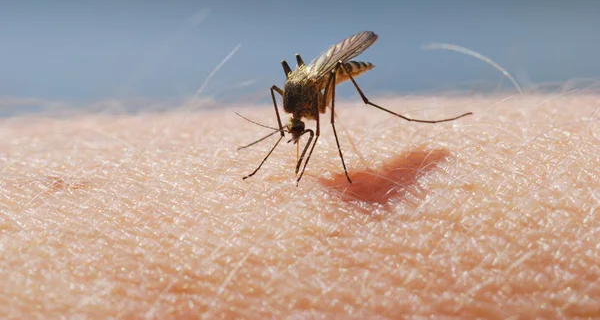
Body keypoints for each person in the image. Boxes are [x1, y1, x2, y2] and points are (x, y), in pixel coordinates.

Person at [2, 94, 597, 318]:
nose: (296, 130)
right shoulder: (293, 110)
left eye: (291, 126)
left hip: (325, 78)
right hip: (306, 90)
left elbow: (316, 117)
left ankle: (400, 119)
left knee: (331, 126)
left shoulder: (310, 102)